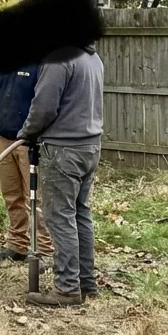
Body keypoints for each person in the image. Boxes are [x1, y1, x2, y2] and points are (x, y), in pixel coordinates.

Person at [17, 43, 104, 307]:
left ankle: (67, 289)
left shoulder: (59, 58)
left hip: (63, 149)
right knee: (80, 214)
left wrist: (27, 132)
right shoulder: (92, 58)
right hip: (89, 146)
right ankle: (86, 284)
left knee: (60, 217)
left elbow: (44, 107)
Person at [0, 63, 54, 263]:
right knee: (12, 195)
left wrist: (33, 135)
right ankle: (17, 245)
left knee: (37, 198)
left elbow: (44, 105)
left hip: (29, 142)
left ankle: (45, 250)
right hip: (4, 139)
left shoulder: (40, 65)